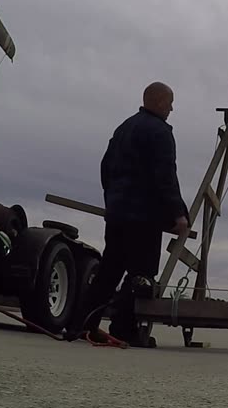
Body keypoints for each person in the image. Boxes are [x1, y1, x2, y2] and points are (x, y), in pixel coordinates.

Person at [72, 81, 190, 344]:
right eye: (170, 103)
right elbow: (165, 175)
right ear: (159, 102)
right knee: (142, 275)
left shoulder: (124, 128)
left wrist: (112, 200)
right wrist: (178, 213)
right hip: (144, 217)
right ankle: (124, 328)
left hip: (117, 213)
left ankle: (80, 324)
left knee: (109, 271)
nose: (172, 108)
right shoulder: (160, 132)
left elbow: (106, 167)